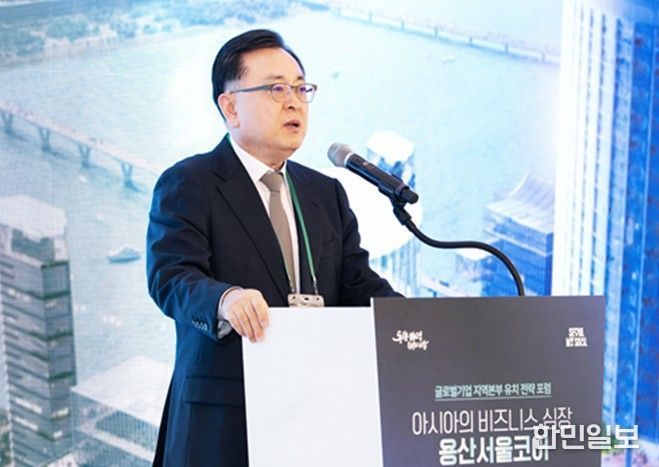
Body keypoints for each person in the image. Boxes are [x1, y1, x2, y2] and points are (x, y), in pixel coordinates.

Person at [146, 29, 400, 466]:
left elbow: (358, 285)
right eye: (276, 89)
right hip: (223, 427)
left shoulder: (325, 192)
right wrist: (226, 299)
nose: (294, 102)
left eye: (301, 89)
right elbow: (171, 277)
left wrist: (417, 321)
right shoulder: (190, 182)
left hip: (313, 419)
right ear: (230, 106)